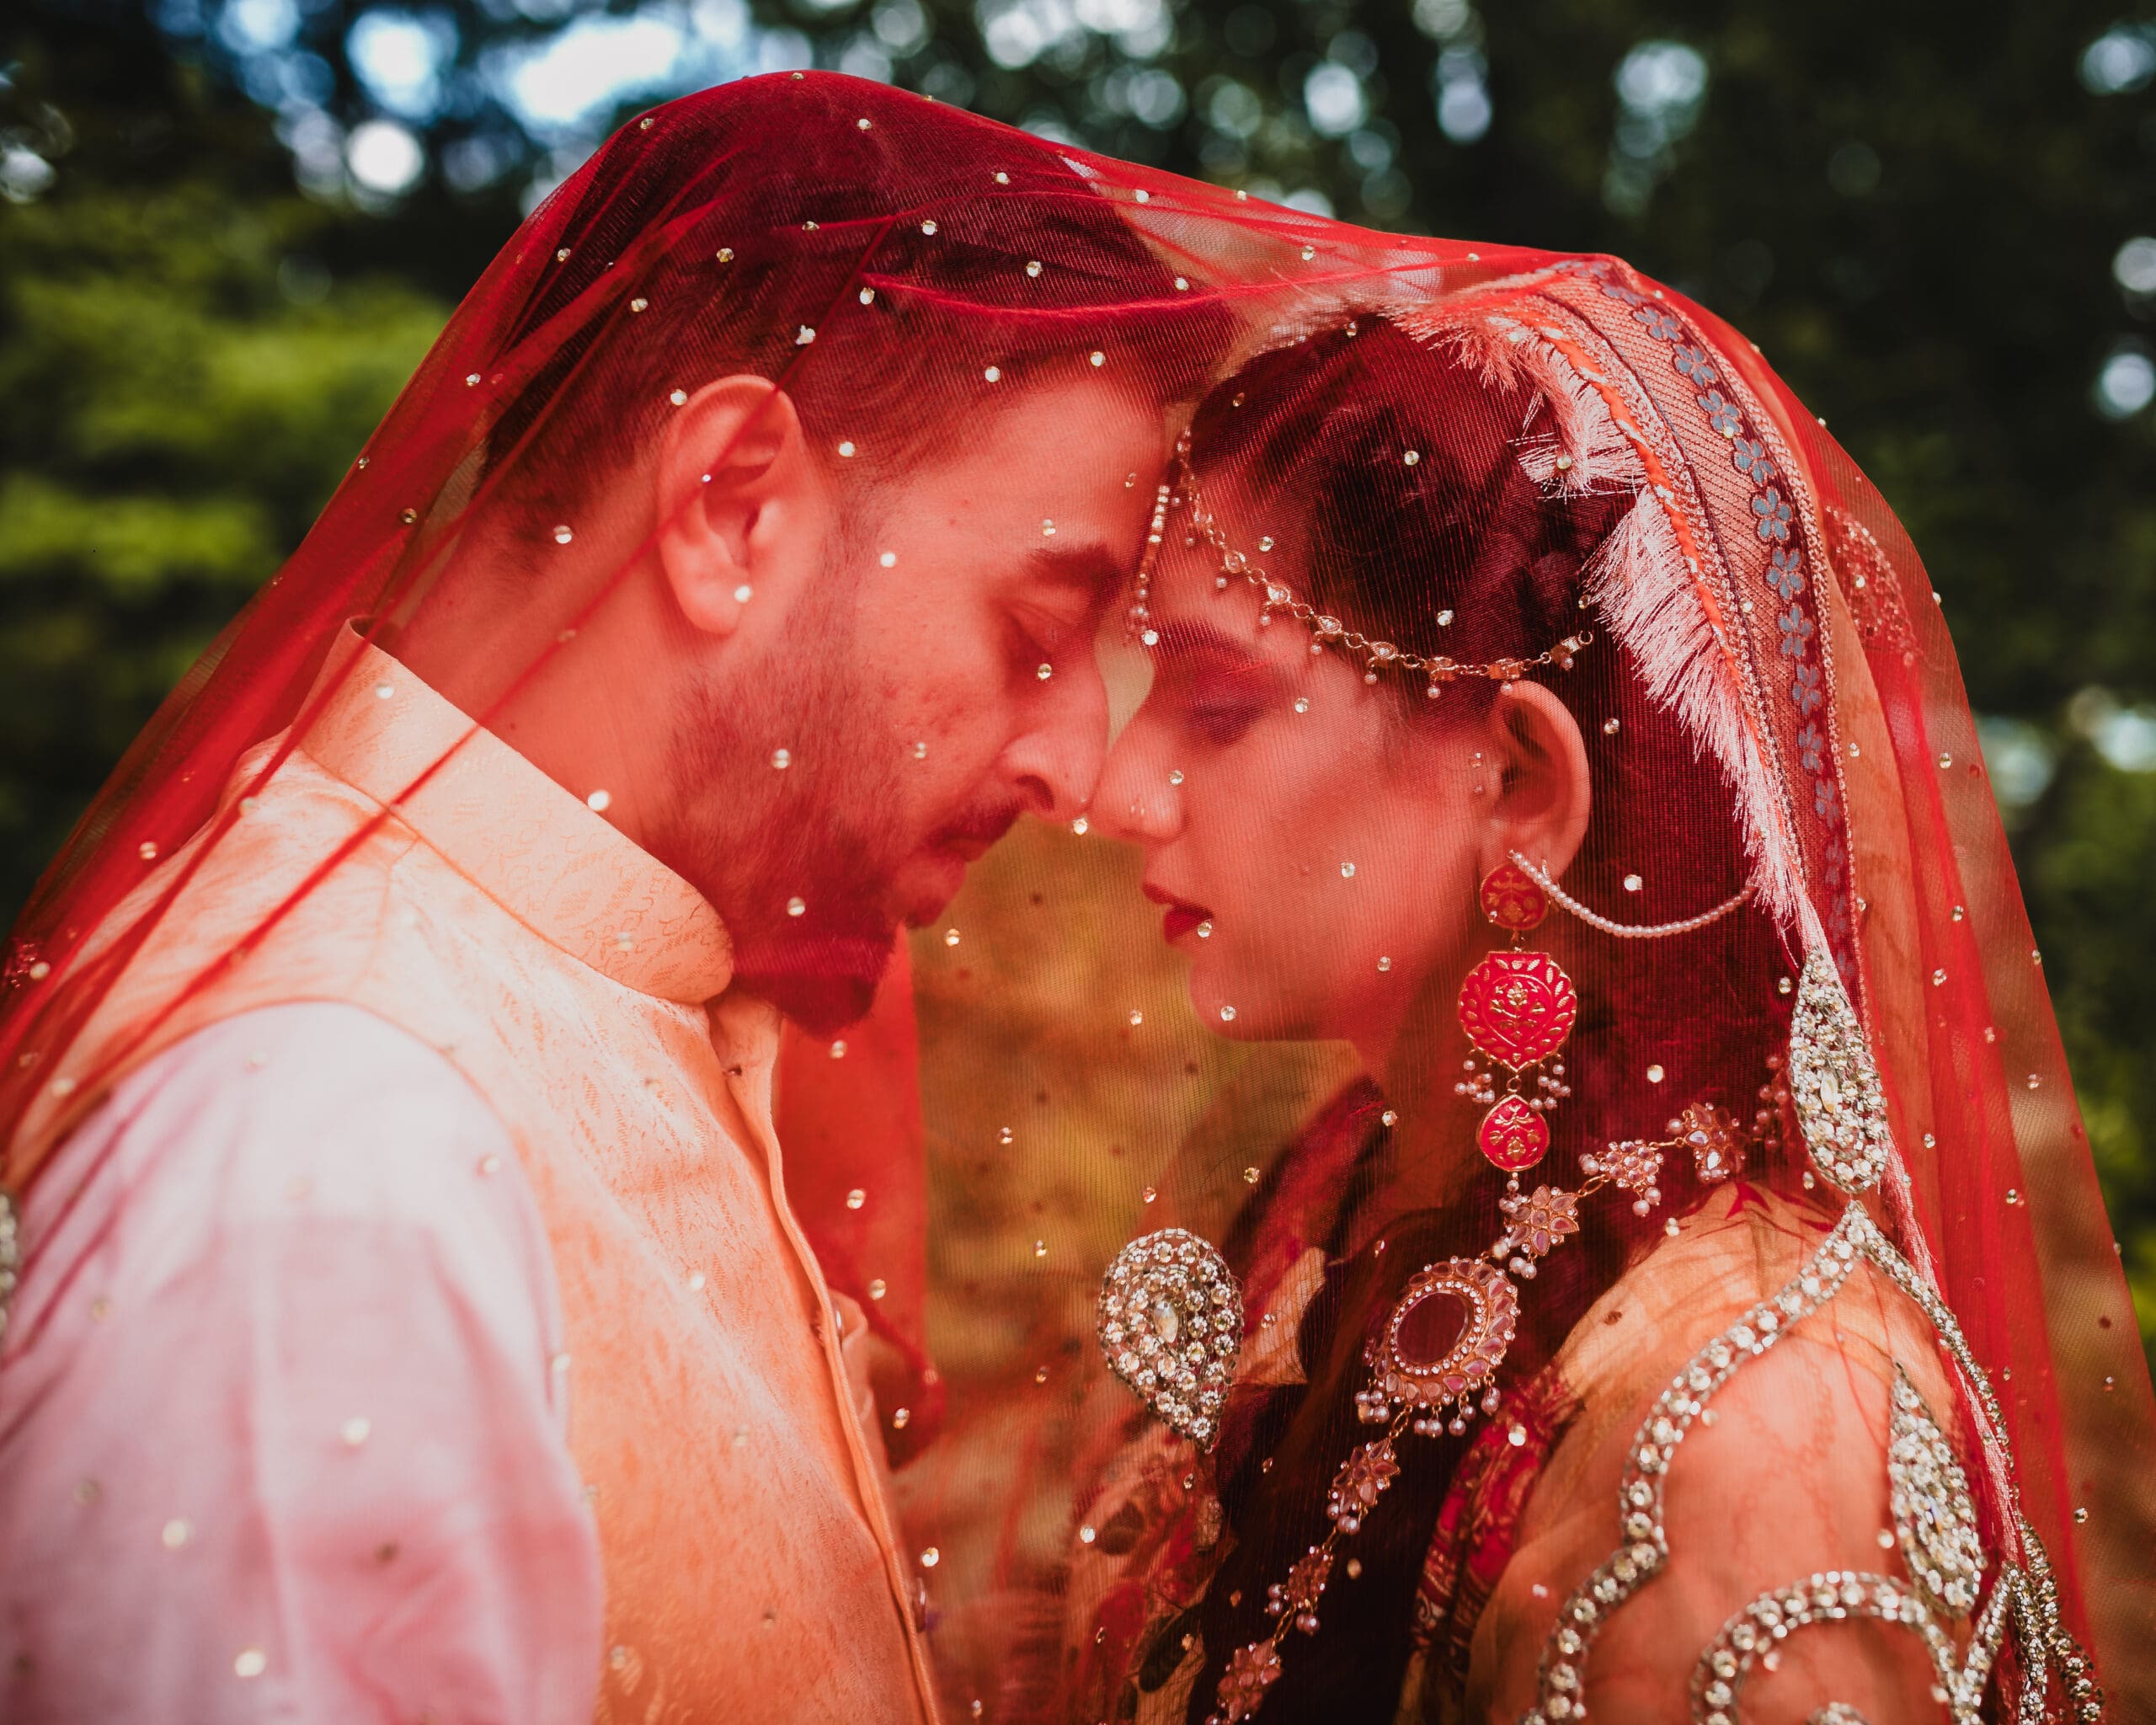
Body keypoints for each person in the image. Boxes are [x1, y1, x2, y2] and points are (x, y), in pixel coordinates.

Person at [0, 74, 1224, 1722]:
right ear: (729, 506)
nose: (1077, 764)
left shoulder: (609, 993)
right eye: (1037, 632)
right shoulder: (326, 1156)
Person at [878, 268, 2156, 1716]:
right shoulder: (1343, 1183)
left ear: (1524, 783)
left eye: (1220, 707)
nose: (1118, 791)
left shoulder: (1750, 1430)